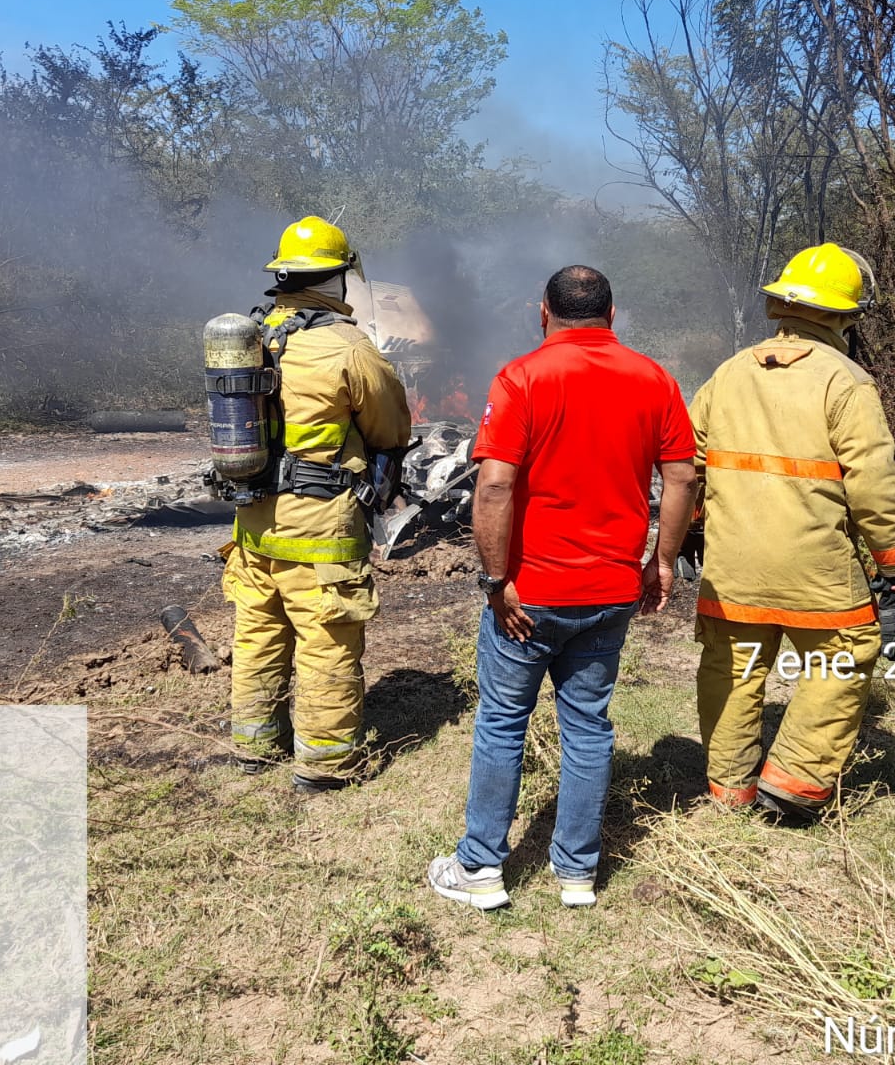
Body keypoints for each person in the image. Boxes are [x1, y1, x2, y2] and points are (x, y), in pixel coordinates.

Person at [427, 266, 696, 909]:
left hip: (530, 595)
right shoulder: (654, 379)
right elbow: (683, 481)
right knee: (588, 727)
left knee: (500, 724)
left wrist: (496, 581)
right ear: (612, 313)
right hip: (609, 591)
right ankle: (577, 872)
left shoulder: (521, 377)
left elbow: (493, 486)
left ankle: (482, 870)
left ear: (542, 313)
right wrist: (661, 563)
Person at [690, 243, 895, 819]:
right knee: (845, 655)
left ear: (781, 307)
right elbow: (874, 484)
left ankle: (730, 792)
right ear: (844, 315)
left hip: (732, 568)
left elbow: (688, 464)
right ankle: (792, 786)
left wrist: (696, 531)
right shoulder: (846, 382)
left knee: (735, 667)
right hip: (814, 568)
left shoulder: (728, 373)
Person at [223, 215, 411, 793]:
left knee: (258, 635)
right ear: (341, 277)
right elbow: (390, 428)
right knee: (326, 642)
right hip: (320, 529)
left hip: (253, 521)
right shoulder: (348, 347)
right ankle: (325, 765)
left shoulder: (248, 337)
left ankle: (254, 746)